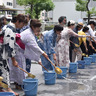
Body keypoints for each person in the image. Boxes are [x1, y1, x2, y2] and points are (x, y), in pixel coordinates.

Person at [0, 18, 19, 95]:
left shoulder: (5, 28)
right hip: (2, 53)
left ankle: (2, 89)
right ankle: (8, 89)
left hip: (2, 51)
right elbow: (10, 46)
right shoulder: (10, 29)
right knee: (4, 70)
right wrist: (13, 60)